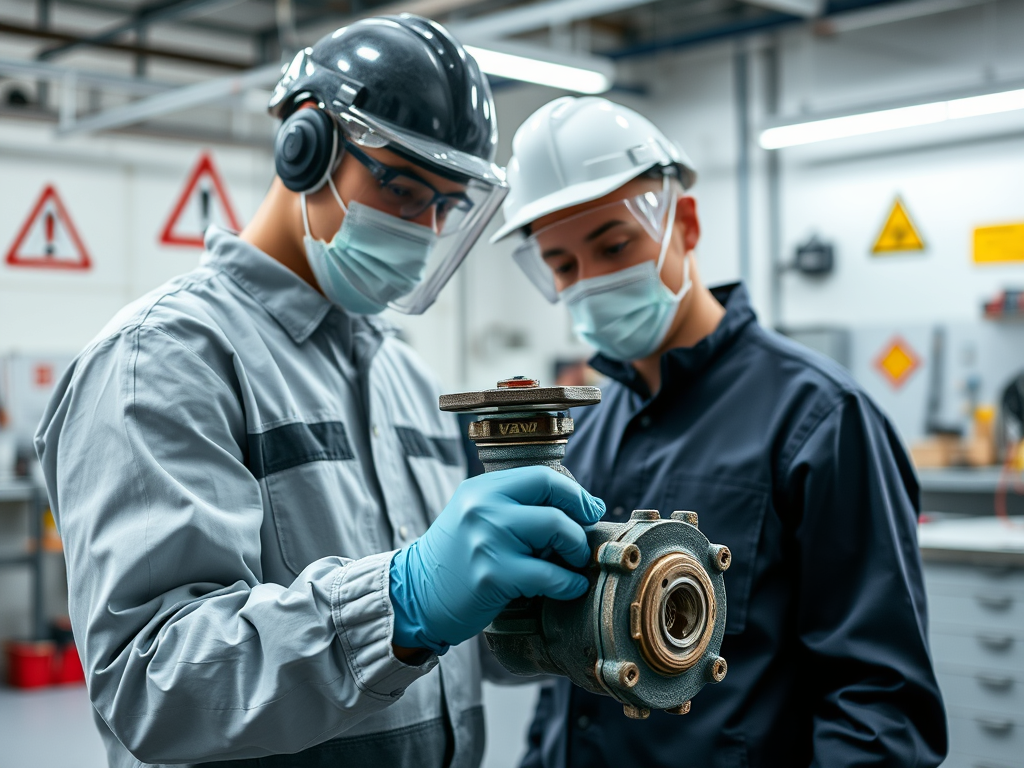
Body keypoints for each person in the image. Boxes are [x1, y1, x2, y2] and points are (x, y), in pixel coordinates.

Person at [34, 17, 604, 768]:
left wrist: (559, 605)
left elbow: (454, 645)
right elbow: (152, 683)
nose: (422, 228)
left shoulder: (403, 374)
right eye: (401, 186)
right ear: (305, 146)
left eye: (445, 207)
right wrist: (399, 601)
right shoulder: (163, 360)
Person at [490, 96, 947, 768]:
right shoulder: (584, 436)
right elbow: (571, 679)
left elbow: (879, 703)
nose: (590, 282)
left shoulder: (819, 420)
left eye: (614, 245)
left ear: (687, 221)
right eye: (562, 266)